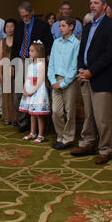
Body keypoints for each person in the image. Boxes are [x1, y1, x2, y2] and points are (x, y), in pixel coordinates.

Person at [71, 0, 112, 165]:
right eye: (90, 3)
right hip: (86, 77)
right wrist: (81, 70)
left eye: (96, 3)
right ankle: (87, 143)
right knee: (89, 115)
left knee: (103, 117)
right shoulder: (87, 26)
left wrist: (92, 71)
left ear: (105, 6)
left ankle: (105, 149)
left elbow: (111, 54)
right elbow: (82, 52)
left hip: (103, 78)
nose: (92, 6)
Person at [11, 1, 53, 133]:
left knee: (36, 92)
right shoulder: (18, 26)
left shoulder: (43, 25)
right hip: (20, 60)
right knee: (19, 93)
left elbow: (48, 43)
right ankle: (23, 123)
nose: (24, 18)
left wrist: (46, 58)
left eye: (26, 15)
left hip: (35, 62)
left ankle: (37, 124)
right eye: (22, 16)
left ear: (32, 12)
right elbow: (15, 46)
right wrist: (12, 64)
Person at [48, 17, 80, 150]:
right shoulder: (56, 42)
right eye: (59, 26)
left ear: (71, 27)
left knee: (69, 111)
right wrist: (53, 81)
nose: (60, 28)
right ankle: (60, 136)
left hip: (69, 81)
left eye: (63, 26)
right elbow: (51, 63)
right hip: (56, 79)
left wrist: (64, 83)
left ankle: (67, 139)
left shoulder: (76, 43)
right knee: (56, 111)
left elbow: (74, 66)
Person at [19, 41, 50, 143]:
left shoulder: (41, 64)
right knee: (32, 113)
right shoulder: (31, 64)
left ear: (38, 52)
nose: (29, 53)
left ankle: (40, 135)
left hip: (38, 91)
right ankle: (32, 132)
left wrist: (32, 91)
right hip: (30, 90)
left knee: (39, 114)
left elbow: (40, 80)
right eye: (29, 50)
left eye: (32, 51)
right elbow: (28, 78)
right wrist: (24, 89)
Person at [0, 18, 17, 126]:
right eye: (7, 27)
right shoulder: (2, 41)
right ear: (5, 28)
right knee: (6, 94)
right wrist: (0, 73)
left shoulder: (18, 40)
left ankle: (15, 118)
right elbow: (1, 58)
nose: (10, 29)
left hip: (16, 69)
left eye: (12, 26)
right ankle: (7, 117)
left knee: (15, 94)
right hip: (5, 70)